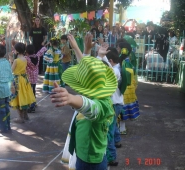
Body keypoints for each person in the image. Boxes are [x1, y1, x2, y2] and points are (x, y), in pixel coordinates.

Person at [50, 33, 117, 170]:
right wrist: (81, 49)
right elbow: (87, 71)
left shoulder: (103, 105)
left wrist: (71, 98)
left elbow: (92, 108)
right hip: (84, 156)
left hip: (90, 162)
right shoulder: (96, 93)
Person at [117, 42, 140, 134]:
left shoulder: (122, 62)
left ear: (122, 50)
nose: (117, 49)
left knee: (119, 107)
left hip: (123, 88)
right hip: (130, 87)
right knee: (123, 108)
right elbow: (134, 74)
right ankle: (122, 128)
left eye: (118, 47)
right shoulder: (128, 62)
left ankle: (120, 129)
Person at [9, 43, 36, 123]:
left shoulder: (16, 61)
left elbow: (12, 70)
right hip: (24, 80)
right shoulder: (25, 59)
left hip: (17, 80)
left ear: (17, 50)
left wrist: (11, 61)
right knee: (24, 96)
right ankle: (25, 115)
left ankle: (20, 118)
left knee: (18, 97)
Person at [25, 44, 47, 113]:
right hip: (34, 78)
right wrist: (45, 45)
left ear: (26, 51)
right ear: (34, 50)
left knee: (29, 92)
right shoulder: (37, 56)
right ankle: (33, 103)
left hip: (28, 78)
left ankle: (32, 106)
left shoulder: (26, 58)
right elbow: (42, 50)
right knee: (33, 90)